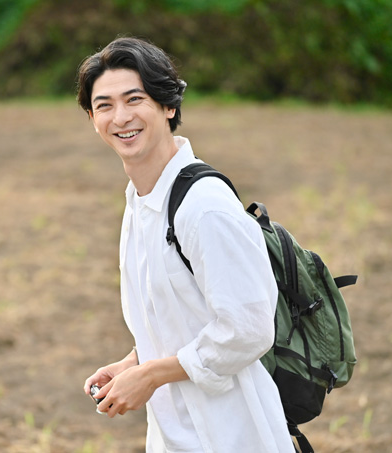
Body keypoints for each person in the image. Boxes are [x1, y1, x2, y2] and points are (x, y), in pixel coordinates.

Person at [77, 36, 295, 453]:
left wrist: (152, 375)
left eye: (134, 99)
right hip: (175, 434)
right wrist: (135, 362)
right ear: (92, 118)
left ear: (169, 105)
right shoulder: (140, 201)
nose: (120, 117)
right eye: (104, 105)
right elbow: (181, 313)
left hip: (233, 433)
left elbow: (249, 328)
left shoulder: (205, 207)